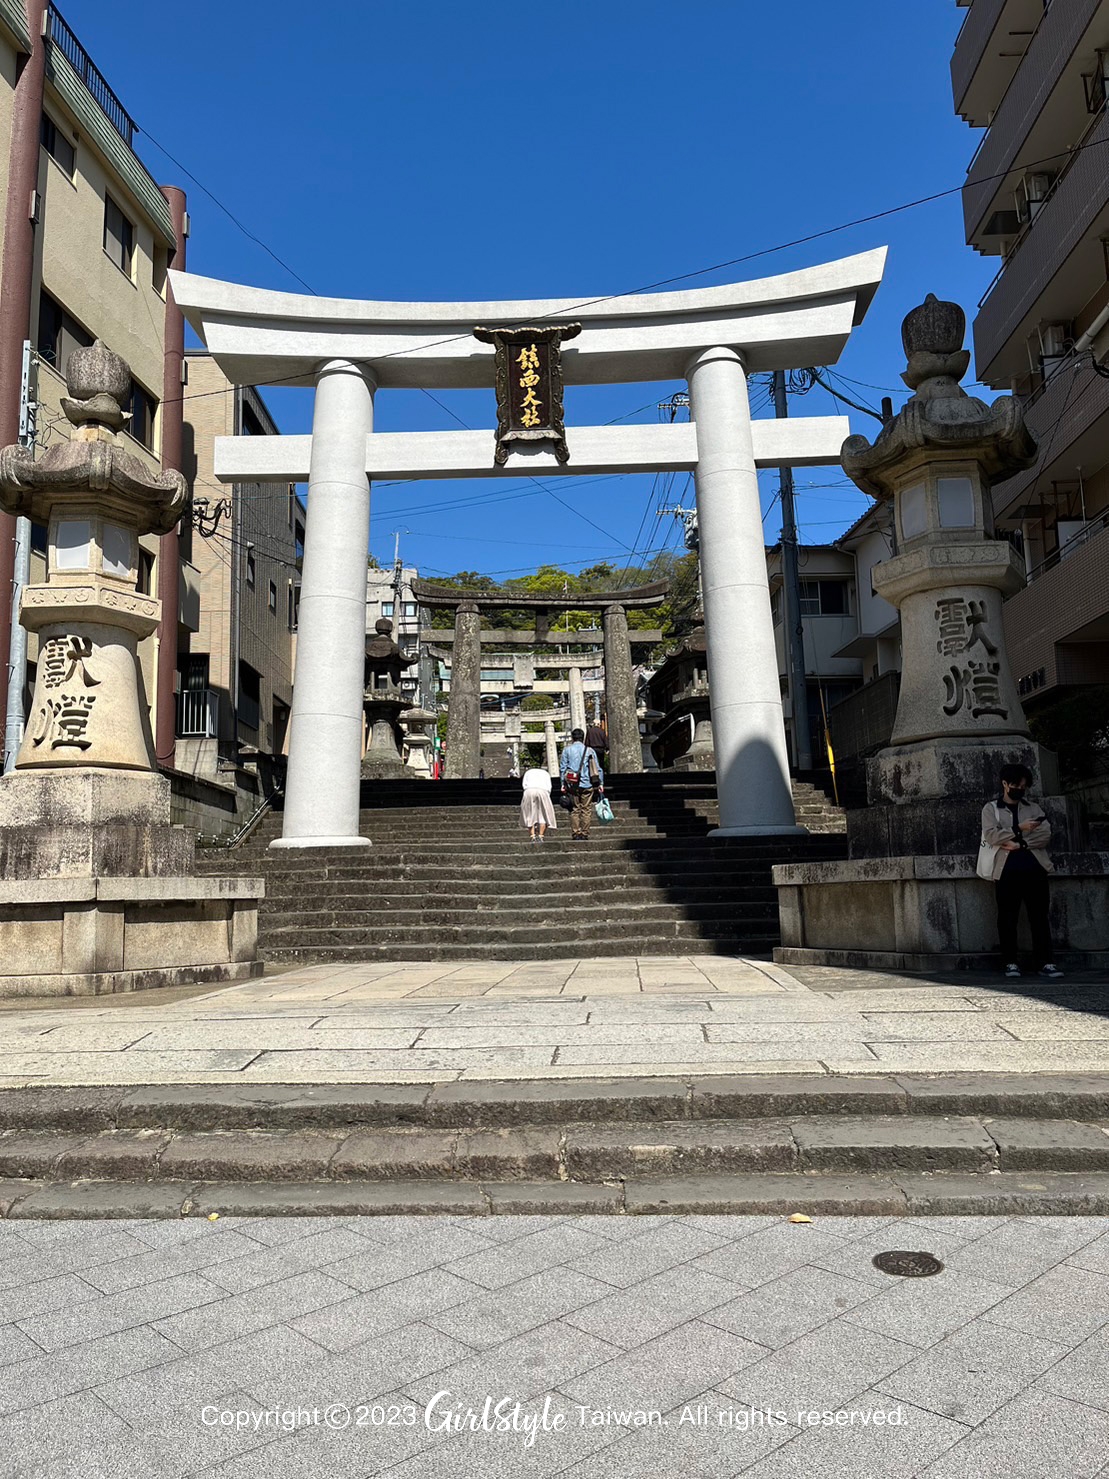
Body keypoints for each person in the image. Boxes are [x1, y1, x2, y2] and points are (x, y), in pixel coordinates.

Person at [981, 763, 1063, 980]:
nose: (1020, 789)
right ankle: (1010, 962)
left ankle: (1045, 961)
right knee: (1008, 917)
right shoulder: (992, 809)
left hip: (1035, 868)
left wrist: (1020, 844)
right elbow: (992, 836)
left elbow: (1045, 834)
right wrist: (1020, 829)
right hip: (1006, 871)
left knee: (1039, 917)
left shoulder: (1033, 808)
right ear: (1005, 784)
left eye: (1023, 786)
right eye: (1016, 785)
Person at [559, 727, 604, 842]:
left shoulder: (567, 750)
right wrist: (600, 783)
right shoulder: (589, 751)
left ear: (573, 738)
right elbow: (597, 768)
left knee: (574, 809)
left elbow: (563, 768)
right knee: (586, 809)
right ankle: (584, 833)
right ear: (583, 738)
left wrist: (562, 784)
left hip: (572, 784)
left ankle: (575, 832)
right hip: (587, 783)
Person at [519, 765, 556, 843]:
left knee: (529, 814)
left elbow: (524, 784)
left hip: (529, 790)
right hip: (543, 790)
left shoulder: (528, 772)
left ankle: (532, 836)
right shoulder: (546, 773)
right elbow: (549, 786)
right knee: (543, 814)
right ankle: (541, 835)